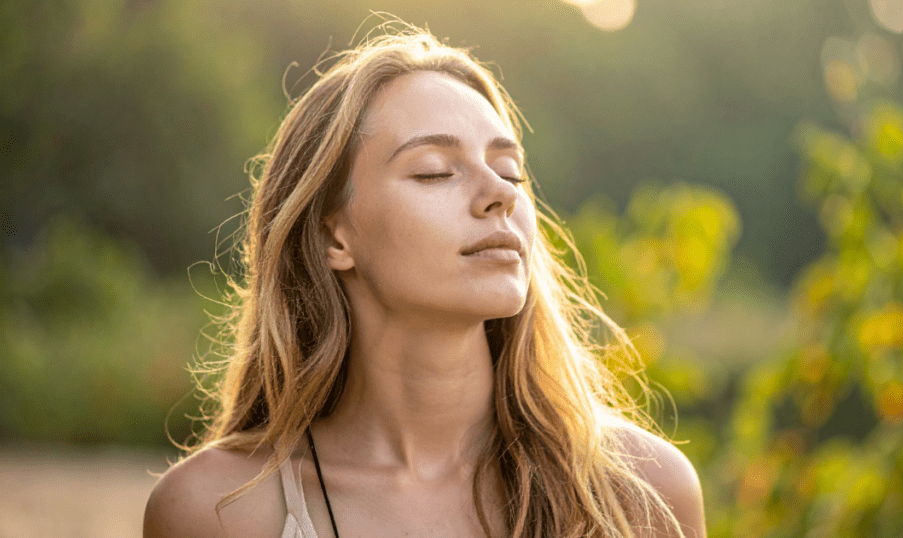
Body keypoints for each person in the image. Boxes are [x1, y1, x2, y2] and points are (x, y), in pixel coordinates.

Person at [143, 26, 706, 538]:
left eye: (510, 171)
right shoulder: (217, 510)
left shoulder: (641, 493)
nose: (502, 194)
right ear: (332, 238)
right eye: (435, 170)